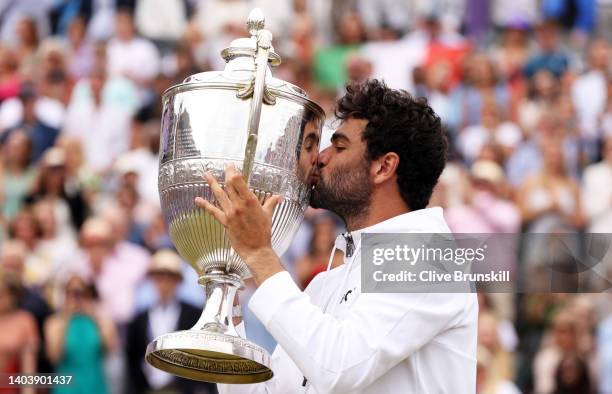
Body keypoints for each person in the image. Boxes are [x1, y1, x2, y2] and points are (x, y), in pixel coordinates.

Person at [196, 79, 478, 393]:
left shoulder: (430, 258)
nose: (321, 157)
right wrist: (225, 289)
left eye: (339, 146)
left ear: (384, 167)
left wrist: (259, 254)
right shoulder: (325, 284)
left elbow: (339, 367)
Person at [126, 249, 214, 394]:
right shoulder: (140, 318)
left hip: (183, 388)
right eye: (159, 277)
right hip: (149, 387)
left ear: (178, 281)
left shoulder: (194, 314)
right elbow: (133, 356)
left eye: (169, 277)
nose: (164, 283)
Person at [44, 273, 118, 394]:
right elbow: (54, 357)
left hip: (95, 385)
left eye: (82, 293)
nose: (77, 298)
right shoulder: (54, 323)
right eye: (71, 293)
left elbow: (110, 349)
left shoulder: (102, 320)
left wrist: (94, 316)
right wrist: (66, 317)